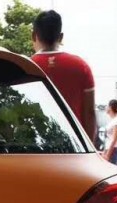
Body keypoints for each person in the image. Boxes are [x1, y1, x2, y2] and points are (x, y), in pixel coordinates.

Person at [31, 10, 96, 140]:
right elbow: (89, 112)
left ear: (34, 36)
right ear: (61, 37)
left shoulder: (27, 66)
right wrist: (89, 145)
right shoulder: (81, 66)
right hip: (73, 143)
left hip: (36, 143)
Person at [103, 99, 117, 169]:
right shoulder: (112, 120)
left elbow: (114, 139)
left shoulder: (116, 121)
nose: (105, 107)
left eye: (107, 106)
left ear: (110, 107)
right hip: (111, 148)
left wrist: (108, 155)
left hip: (114, 149)